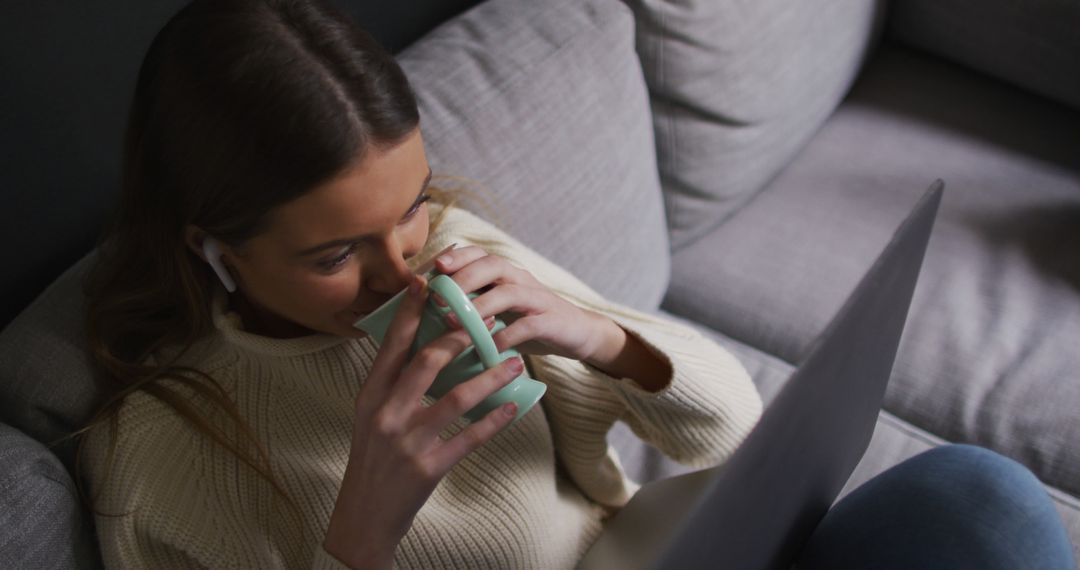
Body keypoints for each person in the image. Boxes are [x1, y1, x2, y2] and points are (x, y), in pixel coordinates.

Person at [78, 0, 1076, 568]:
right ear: (212, 250)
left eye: (412, 205)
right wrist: (362, 534)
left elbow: (728, 436)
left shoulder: (456, 256)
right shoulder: (166, 456)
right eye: (336, 255)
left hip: (680, 554)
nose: (399, 272)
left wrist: (607, 342)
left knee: (985, 499)